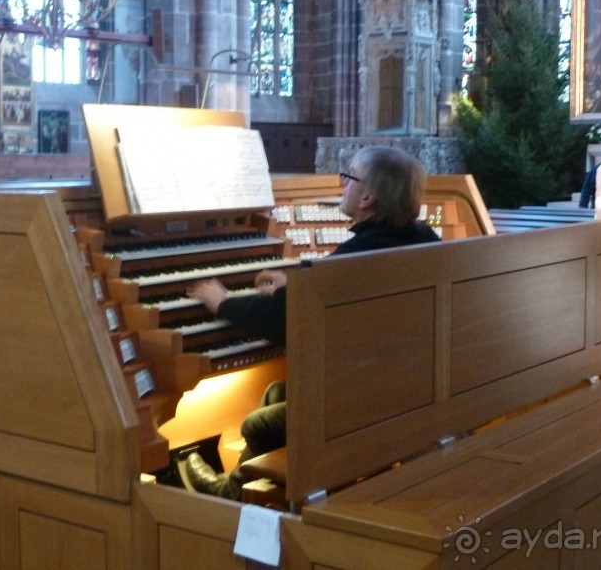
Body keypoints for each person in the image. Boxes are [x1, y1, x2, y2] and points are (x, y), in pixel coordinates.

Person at [183, 145, 441, 500]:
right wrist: (296, 285)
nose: (342, 185)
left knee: (256, 424)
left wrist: (222, 302)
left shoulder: (357, 258)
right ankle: (244, 486)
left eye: (348, 177)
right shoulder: (422, 240)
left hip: (372, 403)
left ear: (367, 198)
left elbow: (281, 319)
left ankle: (229, 495)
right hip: (399, 386)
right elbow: (336, 294)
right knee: (277, 391)